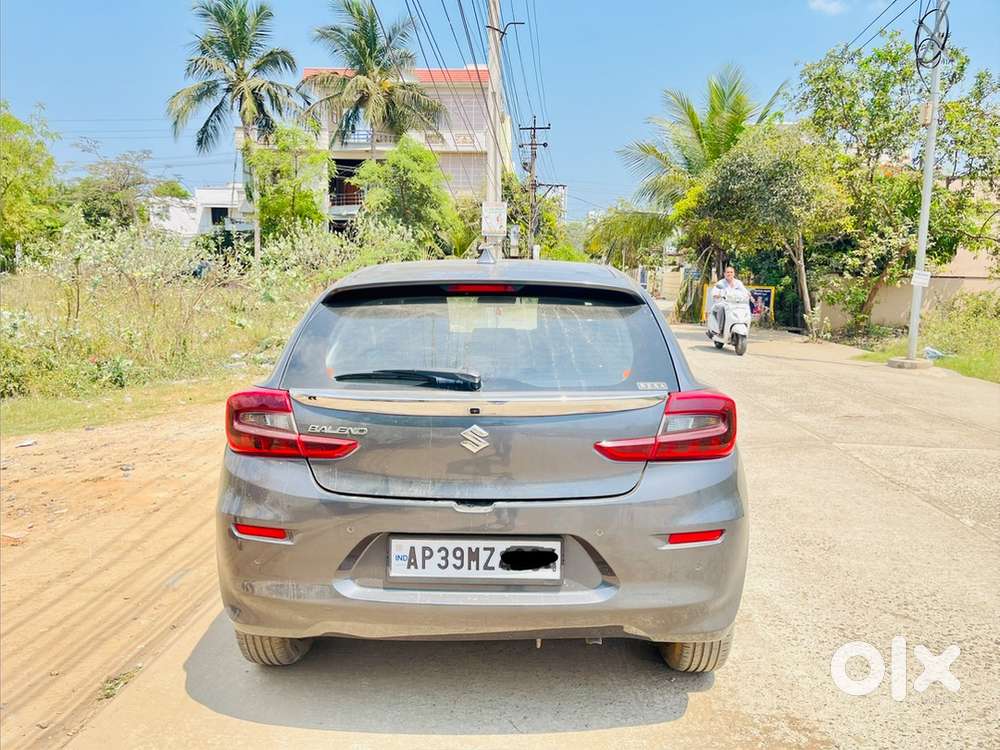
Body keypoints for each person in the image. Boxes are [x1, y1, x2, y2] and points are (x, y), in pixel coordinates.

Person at [707, 266, 746, 337]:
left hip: (735, 304)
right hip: (723, 303)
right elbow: (714, 292)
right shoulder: (721, 283)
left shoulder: (738, 283)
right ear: (724, 274)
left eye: (731, 272)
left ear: (734, 273)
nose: (729, 274)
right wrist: (718, 295)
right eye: (728, 272)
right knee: (721, 308)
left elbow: (744, 291)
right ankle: (720, 330)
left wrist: (748, 295)